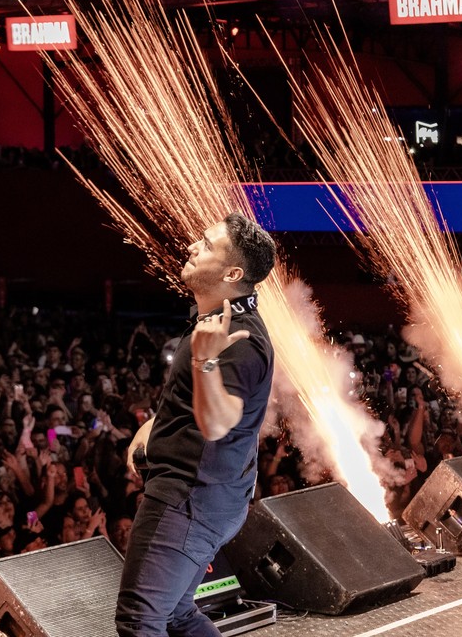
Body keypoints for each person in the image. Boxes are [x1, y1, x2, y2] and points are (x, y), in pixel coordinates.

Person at [116, 213, 276, 637]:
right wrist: (157, 424)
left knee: (140, 620)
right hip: (210, 498)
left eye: (206, 245)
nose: (192, 247)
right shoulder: (215, 320)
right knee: (176, 614)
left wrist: (204, 361)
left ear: (232, 273)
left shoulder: (239, 341)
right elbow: (198, 402)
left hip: (188, 501)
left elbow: (218, 423)